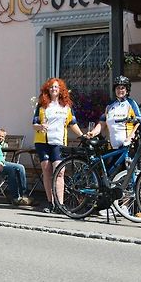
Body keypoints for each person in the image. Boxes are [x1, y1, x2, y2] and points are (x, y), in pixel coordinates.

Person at [33, 78, 83, 213]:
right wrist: (40, 126)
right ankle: (50, 203)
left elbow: (72, 123)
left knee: (60, 171)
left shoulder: (66, 106)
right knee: (47, 170)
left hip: (59, 142)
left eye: (56, 87)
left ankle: (60, 204)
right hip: (43, 141)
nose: (54, 89)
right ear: (47, 90)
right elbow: (34, 124)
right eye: (51, 87)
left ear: (61, 89)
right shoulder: (42, 105)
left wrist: (82, 136)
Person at [0, 119, 33, 206]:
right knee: (13, 170)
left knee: (20, 167)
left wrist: (1, 162)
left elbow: (0, 153)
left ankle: (22, 196)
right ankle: (16, 197)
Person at [88, 75, 141, 149]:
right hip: (112, 147)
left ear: (127, 90)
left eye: (122, 88)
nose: (120, 90)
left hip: (127, 147)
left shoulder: (131, 103)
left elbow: (139, 122)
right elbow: (102, 123)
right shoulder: (110, 105)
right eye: (117, 88)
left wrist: (130, 137)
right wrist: (93, 133)